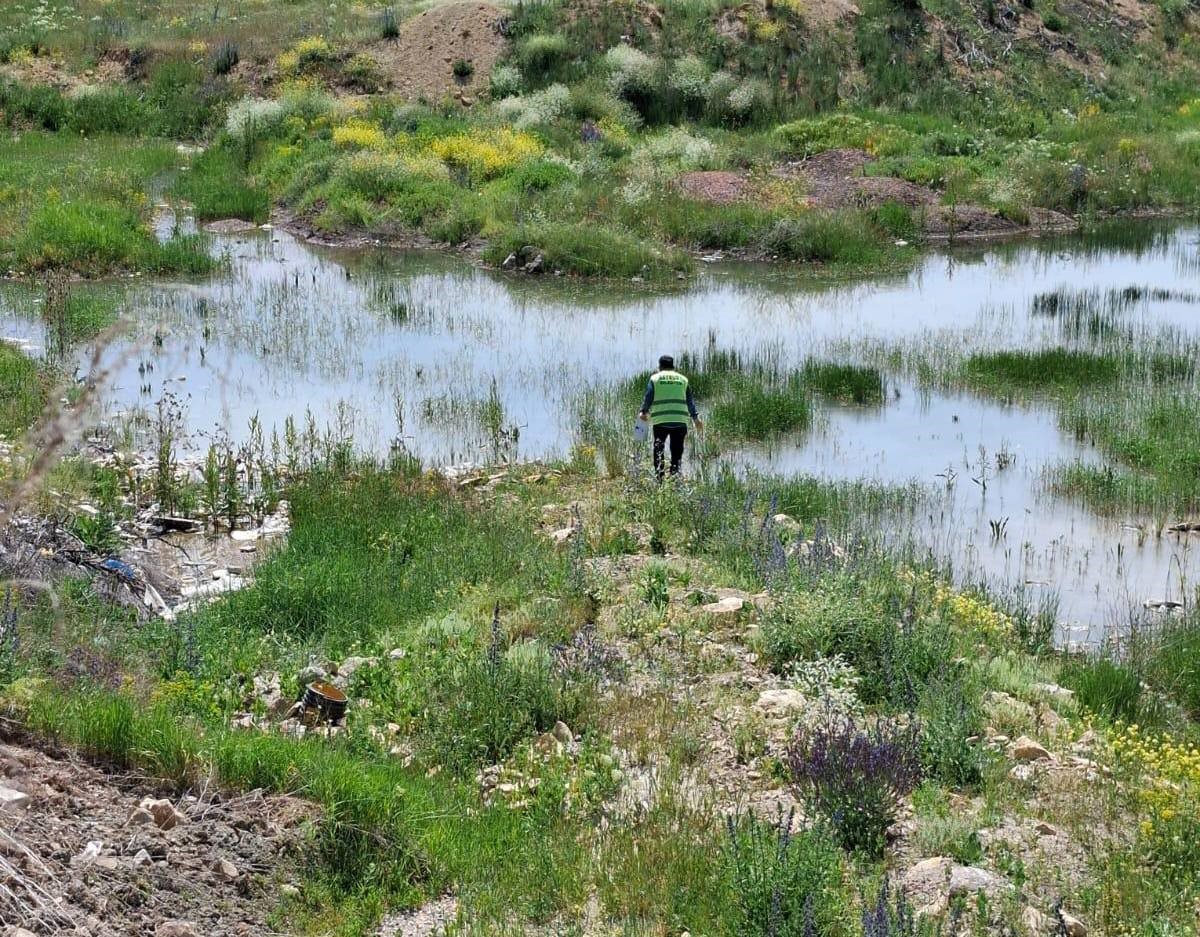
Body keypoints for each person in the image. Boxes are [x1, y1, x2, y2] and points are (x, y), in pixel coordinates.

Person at [638, 355, 703, 480]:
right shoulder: (683, 379)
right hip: (680, 421)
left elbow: (648, 397)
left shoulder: (655, 379)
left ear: (660, 366)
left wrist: (643, 411)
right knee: (677, 453)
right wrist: (695, 418)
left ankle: (660, 480)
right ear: (673, 366)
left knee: (658, 451)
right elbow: (690, 401)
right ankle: (675, 478)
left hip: (660, 421)